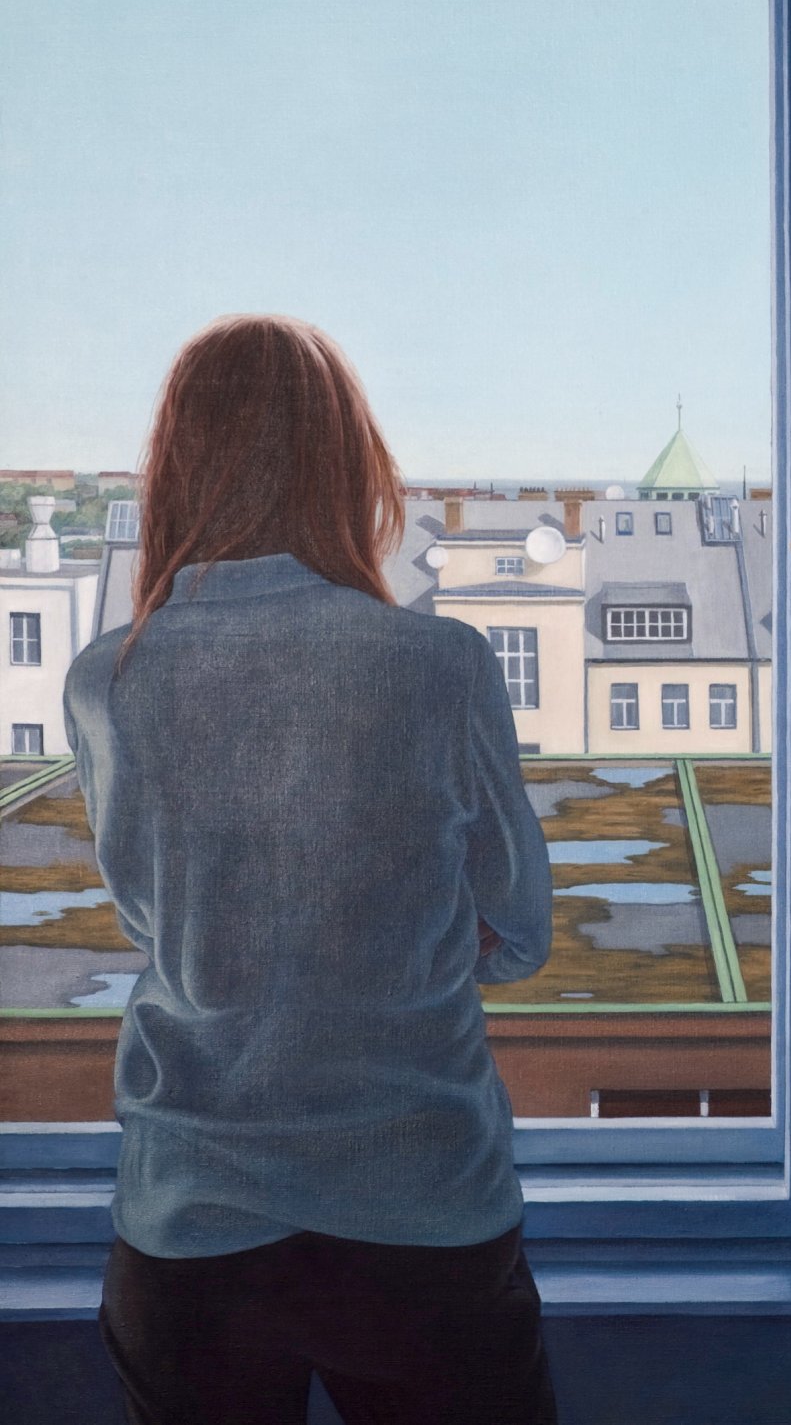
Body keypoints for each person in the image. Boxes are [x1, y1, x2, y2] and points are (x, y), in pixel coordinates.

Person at [63, 315, 560, 1424]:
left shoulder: (109, 679)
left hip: (190, 1224)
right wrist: (411, 932)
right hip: (423, 1215)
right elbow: (519, 930)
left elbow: (160, 920)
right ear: (347, 469)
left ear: (175, 470)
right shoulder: (439, 664)